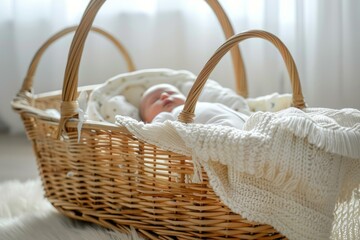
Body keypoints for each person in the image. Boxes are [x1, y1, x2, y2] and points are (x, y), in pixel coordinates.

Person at [140, 83, 249, 129]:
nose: (164, 95)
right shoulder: (165, 120)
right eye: (155, 99)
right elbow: (155, 134)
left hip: (247, 125)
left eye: (172, 93)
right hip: (220, 133)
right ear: (147, 120)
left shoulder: (200, 104)